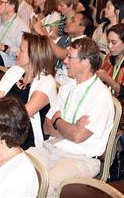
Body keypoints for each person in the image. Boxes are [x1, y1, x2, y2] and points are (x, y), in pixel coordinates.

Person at [30, 38, 115, 197]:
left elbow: (77, 136)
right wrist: (69, 128)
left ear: (86, 62)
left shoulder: (101, 96)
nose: (65, 62)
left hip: (80, 158)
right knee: (17, 166)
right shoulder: (67, 86)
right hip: (51, 148)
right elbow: (46, 127)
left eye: (70, 58)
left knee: (46, 186)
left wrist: (58, 121)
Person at [0, 33, 58, 149]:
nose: (16, 53)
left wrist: (1, 104)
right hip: (1, 129)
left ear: (34, 55)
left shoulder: (47, 81)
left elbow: (22, 115)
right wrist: (15, 110)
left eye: (21, 50)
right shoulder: (15, 71)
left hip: (26, 142)